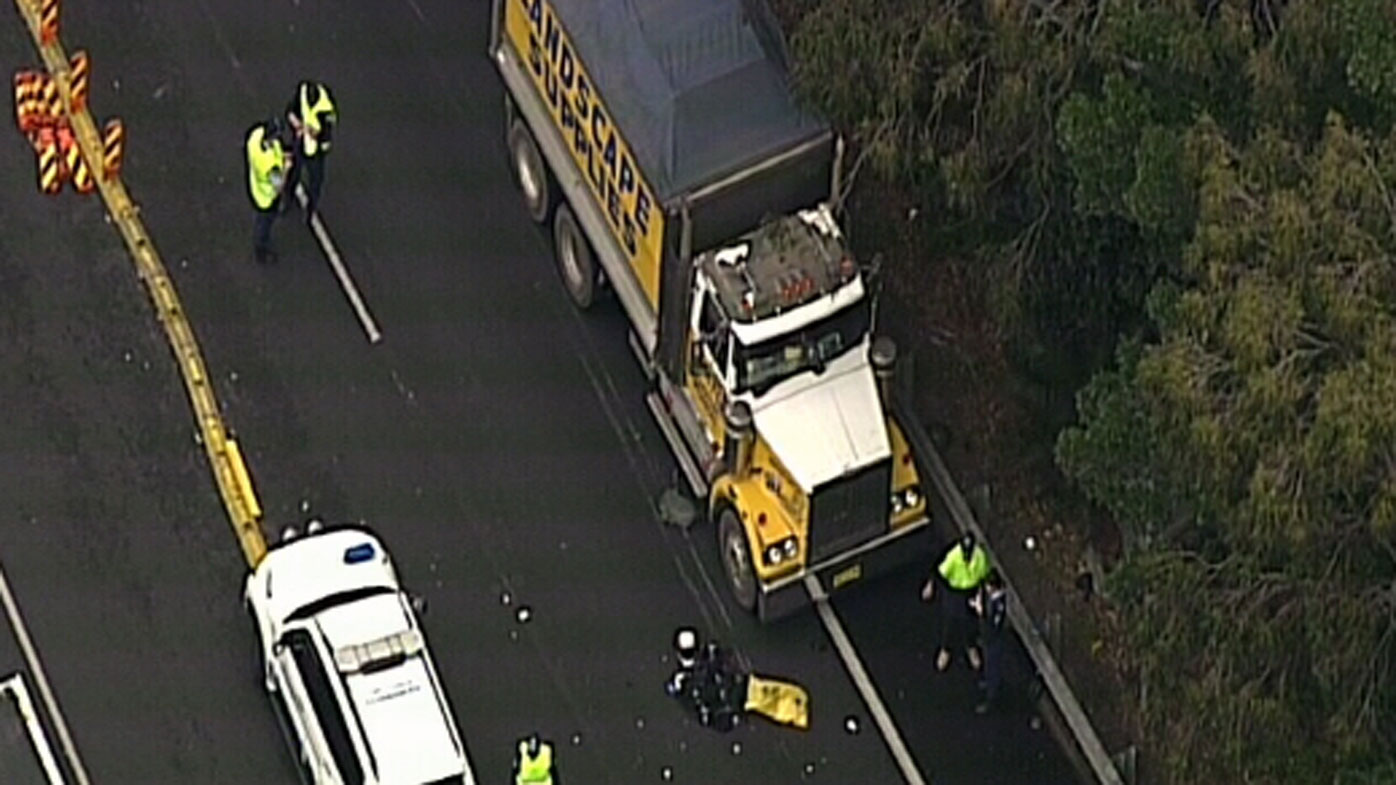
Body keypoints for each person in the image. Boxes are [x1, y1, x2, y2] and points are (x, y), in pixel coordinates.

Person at [921, 531, 990, 671]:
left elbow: (984, 575)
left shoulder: (979, 556)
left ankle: (971, 646)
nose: (967, 556)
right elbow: (940, 572)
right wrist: (931, 585)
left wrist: (981, 594)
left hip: (970, 592)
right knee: (950, 621)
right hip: (953, 592)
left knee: (970, 622)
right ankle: (945, 649)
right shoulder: (954, 556)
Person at [283, 79, 337, 223]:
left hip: (316, 152)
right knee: (293, 172)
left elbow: (326, 139)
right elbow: (290, 110)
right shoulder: (303, 91)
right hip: (300, 143)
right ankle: (288, 198)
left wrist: (314, 134)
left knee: (315, 182)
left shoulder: (326, 108)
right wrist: (296, 123)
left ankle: (310, 210)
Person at [244, 117, 287, 263]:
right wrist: (286, 167)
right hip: (266, 198)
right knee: (264, 224)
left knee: (261, 220)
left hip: (255, 186)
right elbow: (279, 184)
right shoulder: (269, 164)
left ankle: (260, 245)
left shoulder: (255, 137)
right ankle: (261, 251)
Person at [970, 568, 1008, 714]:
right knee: (988, 663)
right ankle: (988, 681)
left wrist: (980, 613)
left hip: (993, 640)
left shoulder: (999, 604)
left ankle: (992, 698)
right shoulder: (992, 599)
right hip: (988, 638)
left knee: (993, 667)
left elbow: (992, 626)